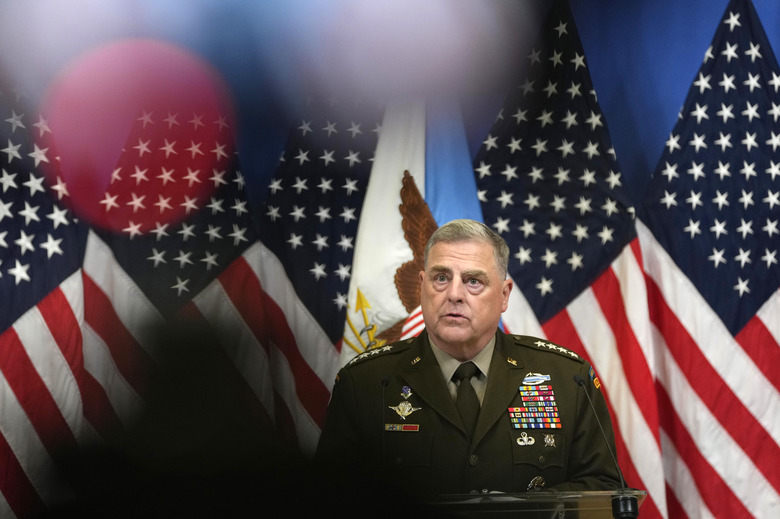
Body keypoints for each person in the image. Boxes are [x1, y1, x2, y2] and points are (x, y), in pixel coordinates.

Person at [315, 219, 622, 498]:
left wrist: (527, 509)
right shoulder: (365, 383)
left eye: (473, 280)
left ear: (504, 295)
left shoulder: (567, 379)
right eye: (440, 278)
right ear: (421, 286)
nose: (454, 294)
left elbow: (603, 488)